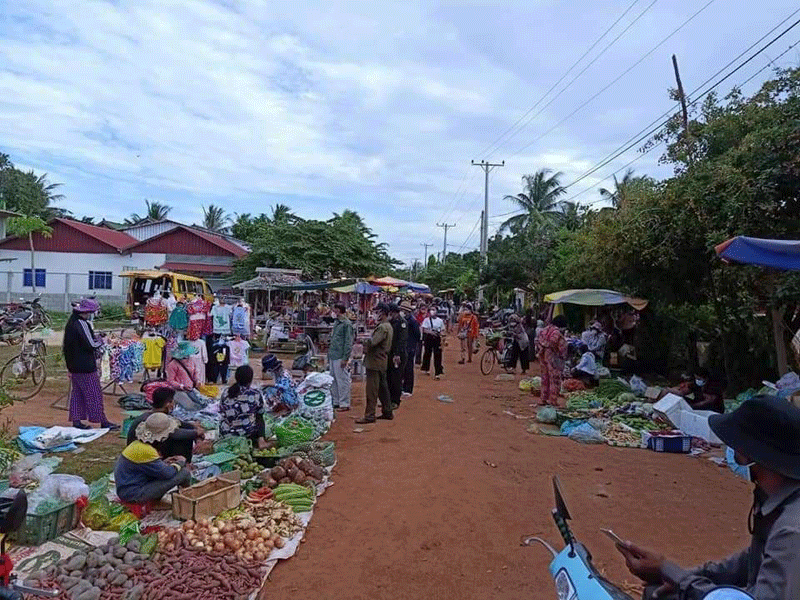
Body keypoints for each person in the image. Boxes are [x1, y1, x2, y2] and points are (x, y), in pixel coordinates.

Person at [616, 395, 800, 600]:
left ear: (748, 456)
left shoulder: (791, 530)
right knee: (658, 593)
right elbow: (751, 560)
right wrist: (682, 576)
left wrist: (675, 575)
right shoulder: (776, 499)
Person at [63, 298, 118, 430]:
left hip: (74, 364)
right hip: (85, 365)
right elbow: (91, 344)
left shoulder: (71, 322)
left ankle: (76, 420)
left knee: (77, 393)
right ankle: (102, 420)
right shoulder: (82, 323)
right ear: (87, 312)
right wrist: (103, 340)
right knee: (94, 393)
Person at [114, 412, 191, 505]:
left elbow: (151, 467)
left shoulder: (137, 445)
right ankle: (187, 500)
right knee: (185, 473)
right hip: (133, 494)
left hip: (127, 490)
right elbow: (168, 474)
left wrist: (165, 462)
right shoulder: (147, 451)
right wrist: (180, 462)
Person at [126, 388, 204, 463]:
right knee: (181, 438)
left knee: (186, 431)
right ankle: (181, 464)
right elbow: (173, 434)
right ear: (168, 404)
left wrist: (197, 437)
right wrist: (196, 433)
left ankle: (183, 463)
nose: (174, 404)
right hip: (141, 453)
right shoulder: (152, 419)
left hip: (150, 447)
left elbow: (182, 424)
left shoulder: (161, 415)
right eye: (173, 401)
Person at [356, 303, 393, 424]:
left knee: (372, 390)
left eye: (378, 311)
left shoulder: (382, 327)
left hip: (374, 361)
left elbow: (373, 342)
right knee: (383, 388)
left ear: (383, 312)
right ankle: (387, 411)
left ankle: (369, 415)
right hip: (381, 361)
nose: (376, 314)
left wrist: (363, 340)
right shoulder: (388, 326)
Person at [220, 365, 267, 447]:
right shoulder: (255, 394)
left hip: (226, 434)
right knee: (259, 417)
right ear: (250, 379)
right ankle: (261, 441)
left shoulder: (226, 392)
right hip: (246, 435)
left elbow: (222, 411)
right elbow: (260, 415)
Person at [536, 315, 568, 406]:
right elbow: (555, 343)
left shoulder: (544, 329)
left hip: (542, 356)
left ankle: (543, 398)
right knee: (554, 378)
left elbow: (538, 340)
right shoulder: (556, 332)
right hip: (552, 357)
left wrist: (542, 348)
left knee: (545, 378)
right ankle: (552, 400)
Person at [328, 302, 354, 412]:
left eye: (334, 309)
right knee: (333, 379)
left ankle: (344, 403)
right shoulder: (337, 323)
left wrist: (345, 357)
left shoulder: (346, 324)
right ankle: (336, 401)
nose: (333, 312)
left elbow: (348, 342)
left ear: (339, 310)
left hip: (340, 355)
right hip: (333, 354)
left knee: (342, 380)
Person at [387, 304, 408, 410]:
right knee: (389, 377)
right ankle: (388, 400)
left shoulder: (402, 323)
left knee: (396, 378)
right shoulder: (391, 322)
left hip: (399, 354)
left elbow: (402, 340)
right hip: (390, 353)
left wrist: (397, 354)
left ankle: (395, 401)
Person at [401, 301, 420, 397]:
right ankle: (403, 387)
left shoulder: (412, 321)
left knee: (408, 368)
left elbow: (418, 335)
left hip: (410, 347)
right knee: (403, 368)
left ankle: (408, 389)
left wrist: (413, 345)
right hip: (404, 347)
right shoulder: (403, 320)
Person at [421, 306, 445, 380]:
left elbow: (442, 330)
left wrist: (442, 337)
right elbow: (424, 329)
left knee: (438, 355)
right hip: (429, 338)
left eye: (434, 310)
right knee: (427, 353)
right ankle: (426, 368)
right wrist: (431, 332)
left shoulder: (440, 321)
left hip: (437, 338)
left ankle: (437, 372)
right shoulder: (426, 320)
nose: (432, 311)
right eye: (431, 310)